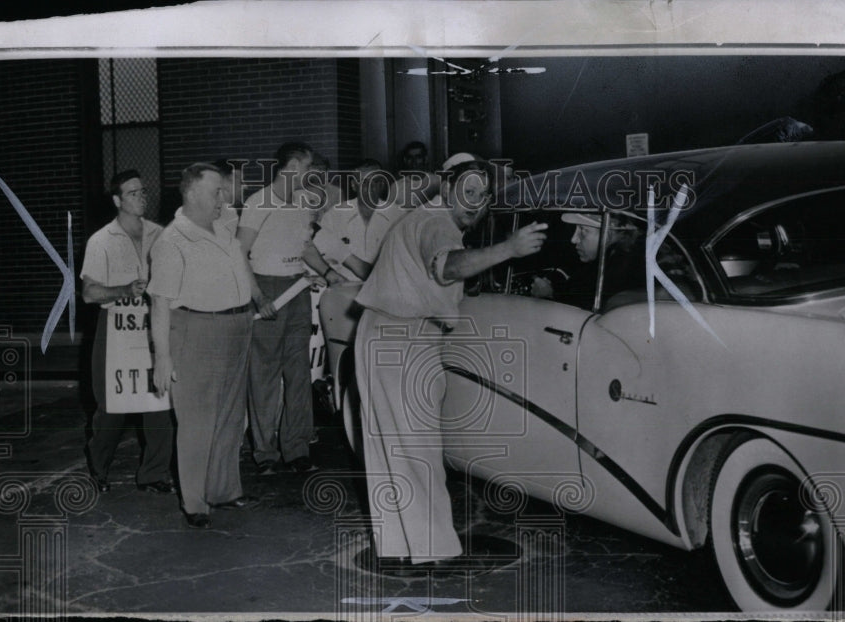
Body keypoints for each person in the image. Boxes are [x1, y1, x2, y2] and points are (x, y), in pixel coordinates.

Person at [353, 157, 548, 569]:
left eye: (481, 195)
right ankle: (435, 552)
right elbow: (448, 269)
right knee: (419, 448)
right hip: (403, 336)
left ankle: (400, 547)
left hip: (384, 333)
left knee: (393, 450)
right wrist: (509, 249)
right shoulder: (437, 222)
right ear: (447, 188)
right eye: (467, 191)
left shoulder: (426, 218)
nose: (473, 203)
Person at [149, 163, 260, 529]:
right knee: (196, 420)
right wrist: (162, 357)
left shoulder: (222, 230)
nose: (223, 198)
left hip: (236, 325)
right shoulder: (172, 240)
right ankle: (195, 501)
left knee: (230, 416)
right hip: (197, 329)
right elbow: (160, 302)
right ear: (193, 193)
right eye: (216, 192)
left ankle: (224, 489)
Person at [238, 142, 331, 475]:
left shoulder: (303, 204)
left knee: (299, 373)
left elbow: (305, 249)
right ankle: (264, 452)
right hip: (268, 290)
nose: (311, 176)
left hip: (298, 290)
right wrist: (259, 297)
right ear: (292, 166)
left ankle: (297, 449)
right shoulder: (258, 202)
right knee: (263, 375)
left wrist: (327, 275)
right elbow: (239, 253)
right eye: (307, 168)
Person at [81, 170, 175, 495]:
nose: (141, 197)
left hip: (153, 326)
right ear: (118, 200)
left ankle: (154, 473)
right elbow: (89, 294)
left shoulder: (161, 235)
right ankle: (98, 467)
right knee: (111, 408)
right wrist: (124, 289)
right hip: (117, 331)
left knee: (160, 401)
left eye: (143, 191)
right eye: (133, 193)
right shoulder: (101, 240)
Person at [532, 212, 646, 311]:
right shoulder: (619, 259)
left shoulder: (618, 269)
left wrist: (548, 296)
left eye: (583, 230)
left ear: (607, 235)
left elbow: (583, 310)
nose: (574, 239)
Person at [307, 158, 392, 282]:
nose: (370, 187)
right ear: (353, 185)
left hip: (385, 287)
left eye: (376, 181)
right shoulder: (334, 215)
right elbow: (321, 251)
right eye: (363, 182)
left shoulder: (399, 216)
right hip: (344, 288)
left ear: (383, 184)